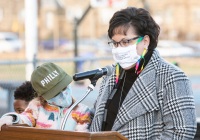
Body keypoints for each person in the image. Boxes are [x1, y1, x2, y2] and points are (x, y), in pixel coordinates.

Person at [89, 7, 197, 139]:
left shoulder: (171, 77)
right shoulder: (112, 74)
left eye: (125, 41)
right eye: (115, 43)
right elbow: (99, 119)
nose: (118, 49)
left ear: (145, 41)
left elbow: (182, 132)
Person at [0, 62, 91, 131]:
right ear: (43, 96)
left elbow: (82, 135)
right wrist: (12, 118)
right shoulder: (37, 107)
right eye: (56, 93)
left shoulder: (82, 111)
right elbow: (25, 118)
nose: (63, 94)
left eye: (64, 88)